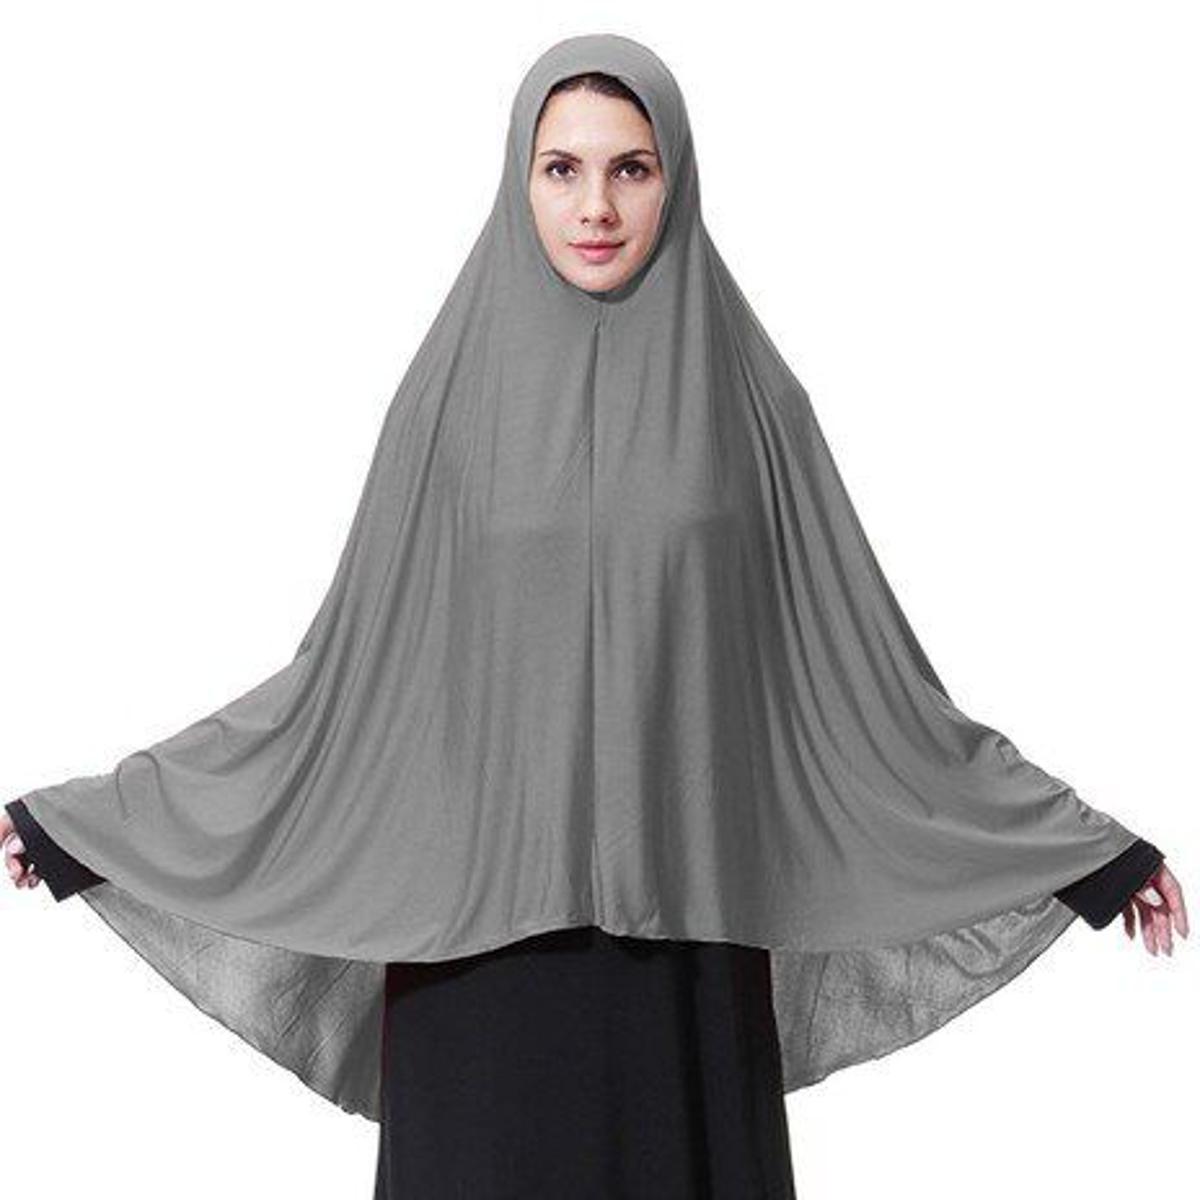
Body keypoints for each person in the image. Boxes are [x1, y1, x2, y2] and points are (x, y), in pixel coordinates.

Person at [3, 34, 1187, 1199]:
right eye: (561, 168)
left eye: (632, 167)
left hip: (686, 943)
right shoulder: (445, 406)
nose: (596, 207)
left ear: (678, 176)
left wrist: (1078, 849)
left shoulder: (754, 408)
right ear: (517, 180)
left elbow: (868, 685)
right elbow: (339, 689)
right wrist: (98, 824)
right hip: (473, 962)